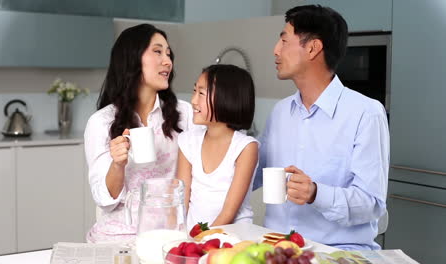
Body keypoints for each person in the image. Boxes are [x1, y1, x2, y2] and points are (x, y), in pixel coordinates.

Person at [253, 5, 390, 250]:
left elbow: (372, 203)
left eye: (284, 40)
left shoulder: (366, 113)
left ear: (313, 48)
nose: (275, 50)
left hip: (336, 252)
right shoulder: (280, 111)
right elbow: (253, 174)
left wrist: (316, 193)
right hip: (276, 248)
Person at [84, 24, 195, 243]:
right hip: (116, 237)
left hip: (169, 235)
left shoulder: (185, 114)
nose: (168, 61)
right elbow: (105, 201)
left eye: (169, 54)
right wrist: (118, 164)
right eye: (157, 51)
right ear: (132, 59)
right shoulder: (101, 123)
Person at [177, 64, 259, 230]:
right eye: (194, 91)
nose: (193, 100)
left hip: (233, 235)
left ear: (226, 98)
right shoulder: (188, 141)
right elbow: (181, 202)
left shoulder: (245, 147)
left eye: (201, 93)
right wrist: (180, 237)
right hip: (194, 236)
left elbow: (228, 213)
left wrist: (203, 240)